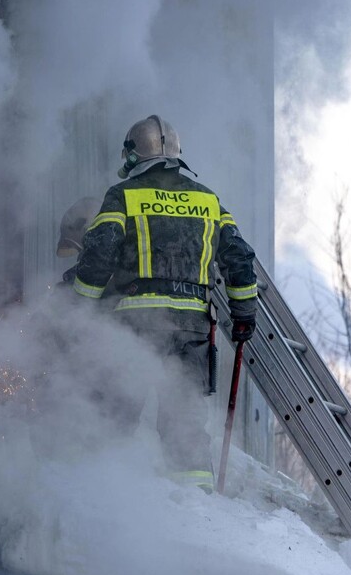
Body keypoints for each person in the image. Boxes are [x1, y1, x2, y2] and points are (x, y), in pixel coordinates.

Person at [70, 115, 259, 492]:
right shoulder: (208, 199)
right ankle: (197, 508)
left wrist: (78, 309)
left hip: (135, 326)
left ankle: (108, 496)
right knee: (184, 424)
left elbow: (99, 254)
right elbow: (238, 258)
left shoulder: (123, 195)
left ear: (132, 153)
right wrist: (244, 315)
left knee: (114, 416)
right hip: (191, 328)